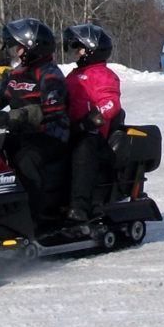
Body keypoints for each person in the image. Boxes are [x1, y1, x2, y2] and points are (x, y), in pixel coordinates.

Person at [0, 18, 70, 227]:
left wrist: (17, 116)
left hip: (49, 135)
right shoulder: (16, 74)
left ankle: (39, 216)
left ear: (33, 47)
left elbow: (52, 108)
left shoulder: (50, 74)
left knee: (25, 159)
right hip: (20, 133)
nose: (14, 52)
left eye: (18, 47)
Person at [62, 23, 123, 223]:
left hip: (92, 135)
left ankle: (80, 207)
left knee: (82, 151)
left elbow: (111, 103)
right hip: (70, 129)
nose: (75, 53)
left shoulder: (102, 75)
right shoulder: (74, 75)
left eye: (79, 48)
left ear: (91, 50)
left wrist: (90, 121)